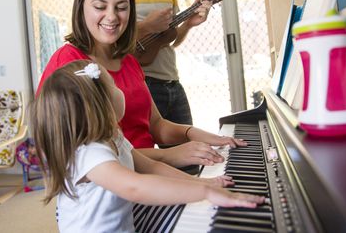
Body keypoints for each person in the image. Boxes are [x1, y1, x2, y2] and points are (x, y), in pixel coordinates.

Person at [37, 0, 246, 170]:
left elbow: (156, 125)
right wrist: (167, 155)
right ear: (81, 8)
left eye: (121, 7)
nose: (111, 16)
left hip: (150, 172)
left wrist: (197, 134)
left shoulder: (128, 60)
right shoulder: (68, 63)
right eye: (100, 6)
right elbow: (84, 152)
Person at [31, 60, 265, 233]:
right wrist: (205, 193)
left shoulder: (114, 136)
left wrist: (201, 182)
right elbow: (135, 187)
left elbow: (150, 167)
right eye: (114, 86)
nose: (120, 90)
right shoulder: (89, 154)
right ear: (100, 104)